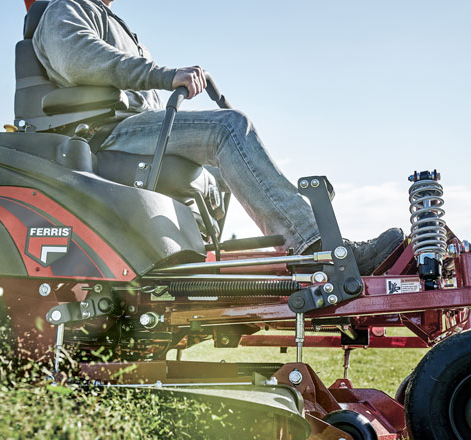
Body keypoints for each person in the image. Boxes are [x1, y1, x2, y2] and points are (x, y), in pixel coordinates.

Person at [32, 0, 403, 275]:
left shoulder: (116, 23)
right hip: (103, 133)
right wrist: (162, 75)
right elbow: (77, 57)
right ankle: (316, 248)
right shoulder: (66, 7)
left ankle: (221, 262)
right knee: (228, 127)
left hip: (130, 128)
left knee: (229, 163)